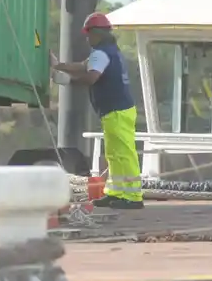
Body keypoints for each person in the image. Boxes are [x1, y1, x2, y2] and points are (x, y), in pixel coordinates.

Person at [50, 12, 143, 210]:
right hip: (117, 110)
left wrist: (66, 81)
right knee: (115, 153)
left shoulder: (101, 53)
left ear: (97, 33)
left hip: (117, 110)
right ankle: (117, 193)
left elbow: (91, 77)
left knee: (124, 153)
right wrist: (59, 66)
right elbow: (83, 66)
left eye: (88, 34)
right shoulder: (109, 51)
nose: (87, 38)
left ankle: (133, 196)